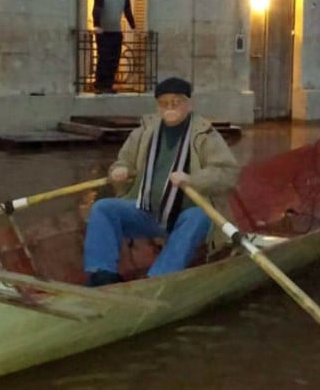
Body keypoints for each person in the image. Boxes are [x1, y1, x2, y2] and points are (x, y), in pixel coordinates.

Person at [84, 77, 240, 286]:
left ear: (188, 104)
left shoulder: (205, 135)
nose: (170, 107)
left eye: (176, 102)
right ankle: (102, 274)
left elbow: (228, 173)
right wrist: (120, 170)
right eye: (164, 103)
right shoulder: (144, 132)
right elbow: (123, 162)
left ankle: (159, 278)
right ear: (157, 106)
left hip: (185, 216)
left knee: (199, 215)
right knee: (103, 209)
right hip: (147, 211)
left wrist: (192, 179)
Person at [92, 0, 136, 93]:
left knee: (114, 60)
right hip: (103, 32)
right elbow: (96, 9)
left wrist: (133, 27)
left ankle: (109, 85)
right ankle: (99, 85)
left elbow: (127, 11)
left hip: (116, 32)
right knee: (103, 58)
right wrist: (97, 25)